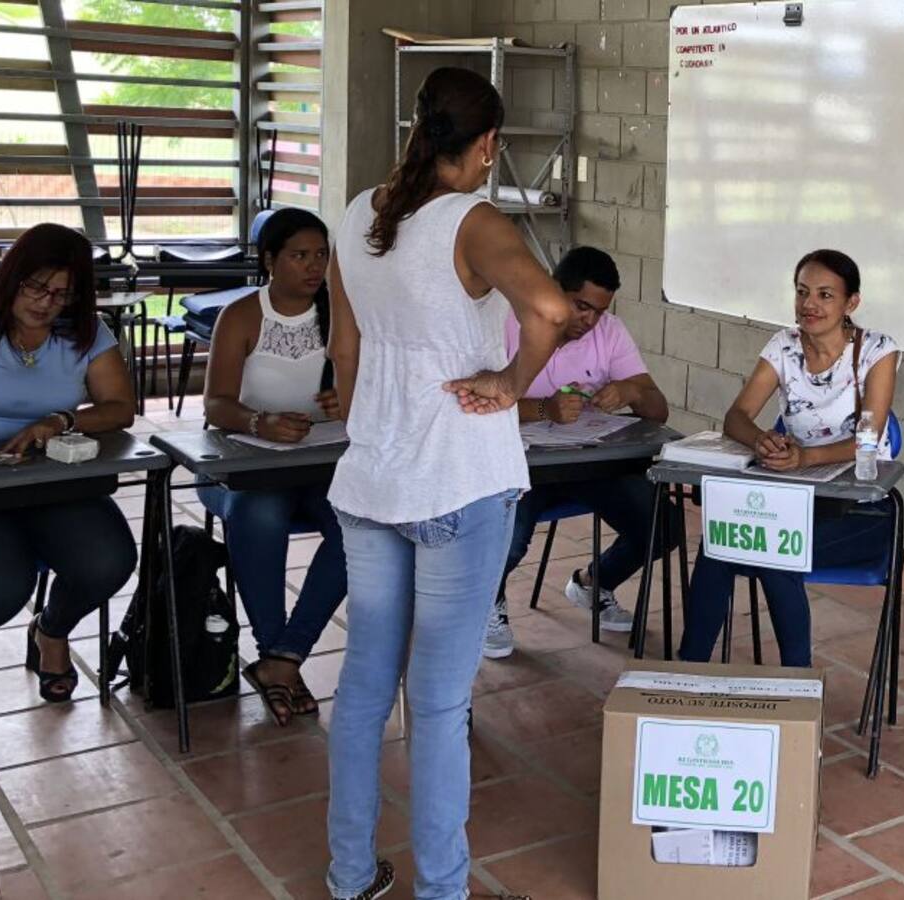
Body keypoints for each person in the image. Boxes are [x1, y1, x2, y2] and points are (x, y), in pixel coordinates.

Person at [324, 67, 567, 900]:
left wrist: (377, 429)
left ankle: (351, 875)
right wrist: (509, 381)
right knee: (435, 702)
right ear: (489, 143)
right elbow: (551, 309)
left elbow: (345, 353)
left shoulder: (359, 214)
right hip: (457, 479)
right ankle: (442, 890)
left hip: (372, 478)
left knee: (363, 686)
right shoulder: (472, 219)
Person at [678, 249, 899, 665]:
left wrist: (806, 458)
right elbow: (736, 417)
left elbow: (868, 440)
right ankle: (689, 671)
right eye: (802, 292)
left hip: (857, 509)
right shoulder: (784, 346)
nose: (809, 305)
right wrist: (762, 439)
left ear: (851, 303)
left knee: (775, 553)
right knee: (719, 543)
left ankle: (796, 683)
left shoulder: (878, 351)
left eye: (825, 295)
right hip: (792, 501)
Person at [0, 223, 137, 703]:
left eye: (61, 295)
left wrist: (62, 419)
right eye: (36, 287)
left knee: (109, 561)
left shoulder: (86, 335)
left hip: (53, 483)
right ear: (10, 277)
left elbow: (120, 409)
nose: (45, 302)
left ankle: (52, 629)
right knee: (1, 585)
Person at [483, 245, 674, 659]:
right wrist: (542, 409)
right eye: (581, 306)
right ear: (553, 290)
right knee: (509, 541)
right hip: (521, 466)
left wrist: (629, 391)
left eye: (599, 312)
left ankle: (593, 583)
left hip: (589, 465)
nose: (589, 321)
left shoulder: (610, 333)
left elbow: (658, 411)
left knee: (663, 524)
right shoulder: (505, 322)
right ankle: (486, 603)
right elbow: (473, 404)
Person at [198, 207, 346, 727]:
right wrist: (259, 422)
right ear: (269, 261)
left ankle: (283, 658)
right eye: (299, 255)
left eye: (321, 255)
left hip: (319, 464)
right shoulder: (241, 315)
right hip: (244, 466)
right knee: (259, 515)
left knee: (359, 524)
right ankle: (274, 648)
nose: (313, 267)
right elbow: (215, 405)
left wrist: (344, 401)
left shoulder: (342, 314)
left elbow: (367, 391)